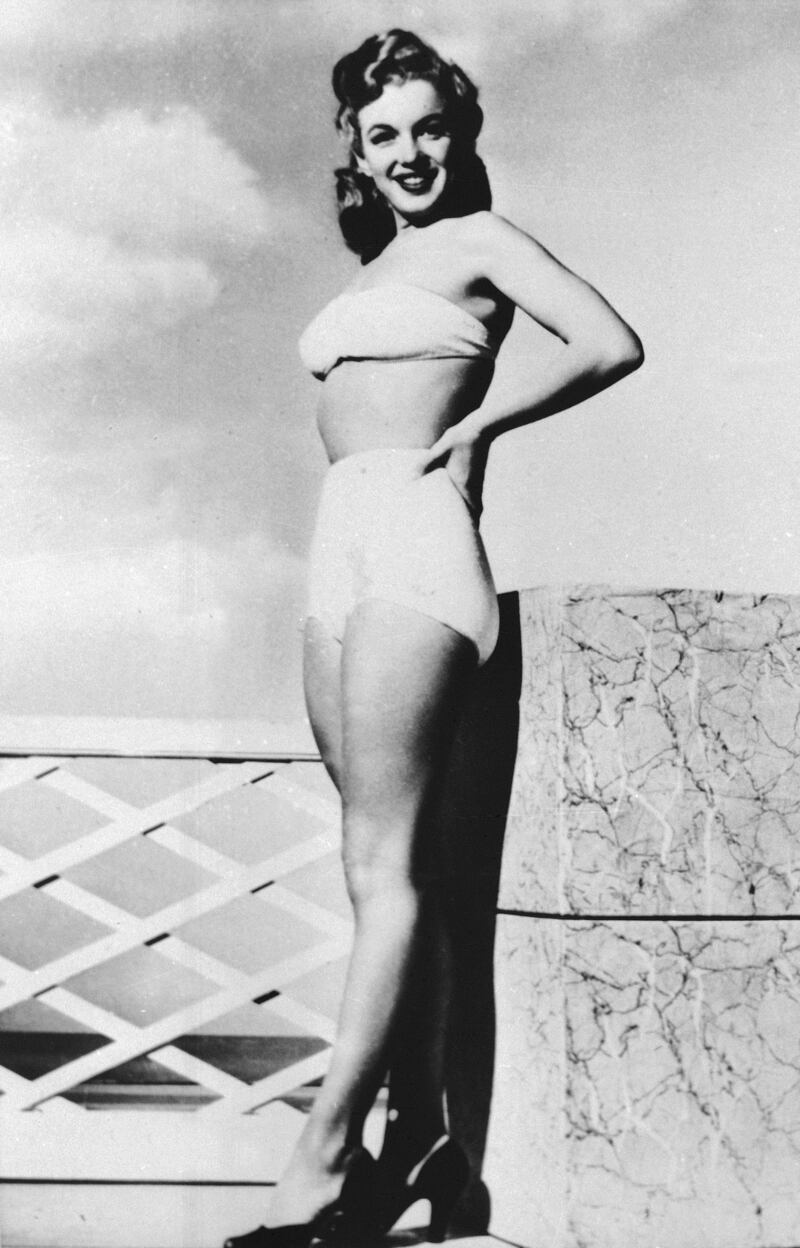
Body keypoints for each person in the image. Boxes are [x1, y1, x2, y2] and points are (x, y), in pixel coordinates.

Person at [226, 28, 643, 1248]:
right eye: (383, 134)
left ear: (459, 135)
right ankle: (420, 1147)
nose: (408, 152)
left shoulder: (479, 242)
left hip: (415, 539)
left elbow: (607, 342)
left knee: (385, 869)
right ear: (356, 150)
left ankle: (320, 1155)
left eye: (427, 128)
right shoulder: (377, 263)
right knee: (382, 867)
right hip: (338, 544)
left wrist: (477, 433)